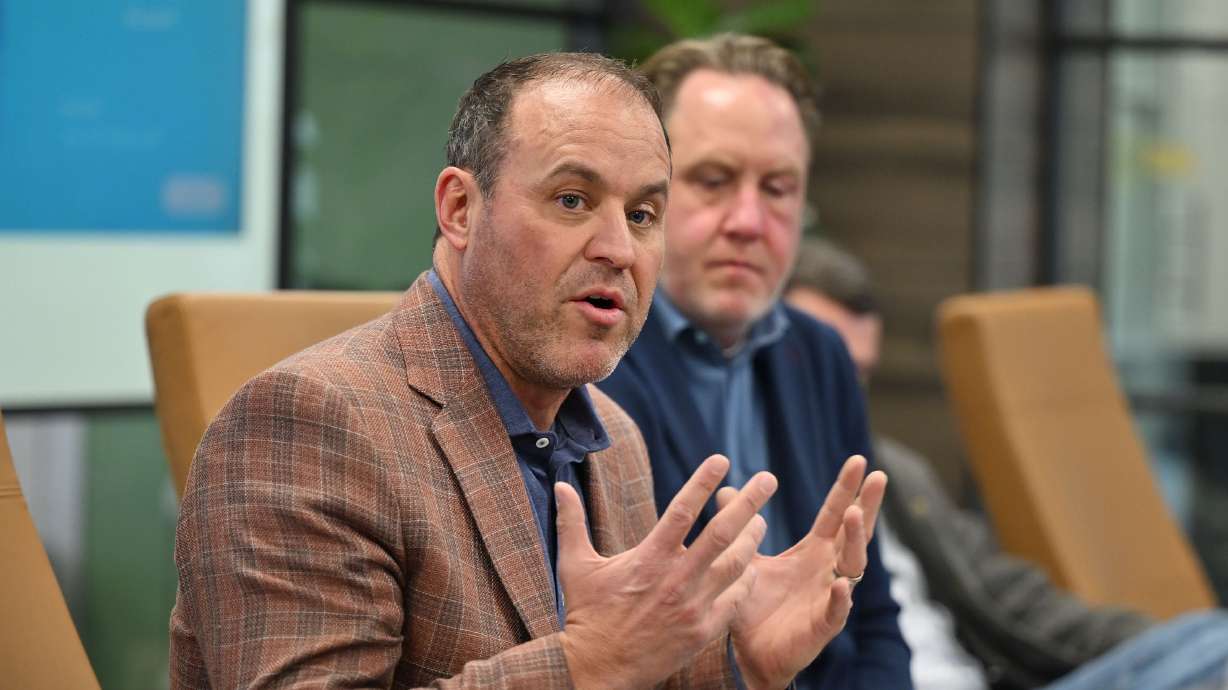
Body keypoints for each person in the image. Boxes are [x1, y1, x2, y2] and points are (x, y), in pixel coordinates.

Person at [170, 52, 887, 689]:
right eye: (572, 200)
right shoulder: (306, 423)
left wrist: (737, 665)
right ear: (460, 209)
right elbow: (603, 665)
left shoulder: (615, 438)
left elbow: (634, 671)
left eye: (643, 214)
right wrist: (588, 666)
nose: (618, 249)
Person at [597, 34, 912, 689]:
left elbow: (873, 616)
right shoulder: (593, 359)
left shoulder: (819, 353)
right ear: (645, 196)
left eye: (778, 188)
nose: (748, 221)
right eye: (713, 181)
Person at [784, 236, 1228, 690]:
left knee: (1212, 640)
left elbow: (1009, 597)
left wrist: (1161, 649)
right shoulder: (767, 485)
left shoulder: (894, 471)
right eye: (827, 364)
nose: (848, 391)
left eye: (860, 372)